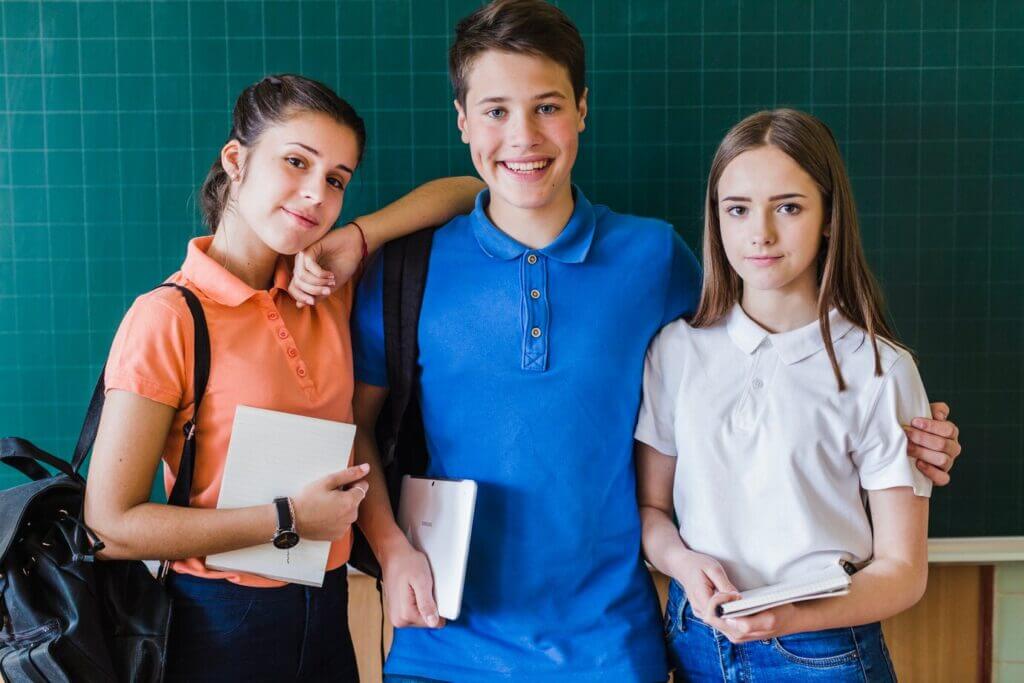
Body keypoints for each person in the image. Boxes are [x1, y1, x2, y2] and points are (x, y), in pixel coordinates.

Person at [289, 2, 962, 680]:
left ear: (582, 108)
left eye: (547, 106)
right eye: (495, 111)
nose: (522, 136)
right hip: (440, 641)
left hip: (611, 648)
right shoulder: (408, 268)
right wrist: (391, 545)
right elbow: (356, 427)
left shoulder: (653, 259)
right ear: (462, 120)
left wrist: (911, 433)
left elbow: (753, 361)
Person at [82, 74, 480, 682]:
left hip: (327, 610)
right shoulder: (168, 317)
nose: (316, 193)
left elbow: (469, 190)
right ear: (236, 161)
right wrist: (288, 520)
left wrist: (356, 237)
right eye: (296, 161)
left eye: (337, 180)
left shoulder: (324, 292)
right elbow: (110, 526)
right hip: (213, 624)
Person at [636, 108, 935, 681]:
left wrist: (792, 616)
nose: (760, 233)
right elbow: (652, 509)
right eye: (738, 209)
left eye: (789, 207)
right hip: (695, 639)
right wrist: (681, 562)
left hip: (823, 652)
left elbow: (903, 570)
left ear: (828, 217)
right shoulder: (676, 350)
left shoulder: (879, 368)